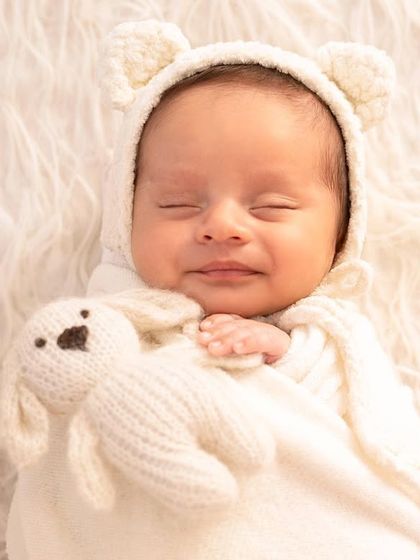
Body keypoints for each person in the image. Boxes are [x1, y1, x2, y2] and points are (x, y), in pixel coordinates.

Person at [2, 20, 420, 559]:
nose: (222, 226)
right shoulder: (95, 331)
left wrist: (286, 355)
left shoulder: (337, 347)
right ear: (125, 217)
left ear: (341, 234)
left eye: (271, 206)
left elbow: (378, 444)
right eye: (177, 204)